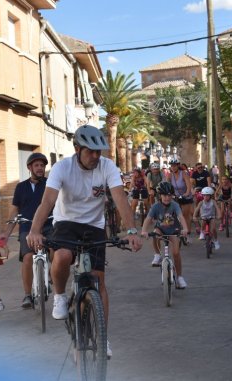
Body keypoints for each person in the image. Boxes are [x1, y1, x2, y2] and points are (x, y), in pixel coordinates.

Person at [25, 125, 142, 359]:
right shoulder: (62, 168)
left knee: (99, 280)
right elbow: (48, 201)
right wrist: (35, 230)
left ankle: (102, 337)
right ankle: (59, 295)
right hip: (66, 222)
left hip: (94, 226)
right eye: (90, 151)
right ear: (77, 148)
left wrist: (131, 230)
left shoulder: (107, 166)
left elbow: (119, 197)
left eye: (99, 151)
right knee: (63, 256)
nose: (96, 156)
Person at [1, 152, 51, 309]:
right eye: (36, 165)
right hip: (27, 228)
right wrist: (6, 234)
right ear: (29, 167)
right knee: (28, 258)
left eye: (42, 165)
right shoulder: (21, 187)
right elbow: (14, 210)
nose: (40, 168)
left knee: (57, 253)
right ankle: (27, 295)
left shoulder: (50, 185)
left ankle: (54, 282)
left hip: (49, 226)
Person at [141, 182, 189, 287]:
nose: (167, 198)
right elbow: (148, 219)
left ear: (172, 195)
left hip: (173, 231)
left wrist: (185, 229)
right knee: (155, 233)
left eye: (169, 195)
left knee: (176, 253)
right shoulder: (155, 206)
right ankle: (157, 254)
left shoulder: (175, 205)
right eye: (164, 195)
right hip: (161, 230)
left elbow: (181, 217)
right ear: (160, 196)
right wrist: (144, 231)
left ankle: (180, 277)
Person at [167, 158, 194, 240]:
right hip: (175, 197)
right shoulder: (170, 175)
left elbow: (189, 186)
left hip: (185, 196)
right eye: (172, 166)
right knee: (170, 214)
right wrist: (168, 194)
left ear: (178, 166)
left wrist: (186, 193)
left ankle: (188, 233)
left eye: (175, 166)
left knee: (185, 216)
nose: (173, 167)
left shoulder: (184, 173)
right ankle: (169, 230)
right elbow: (168, 187)